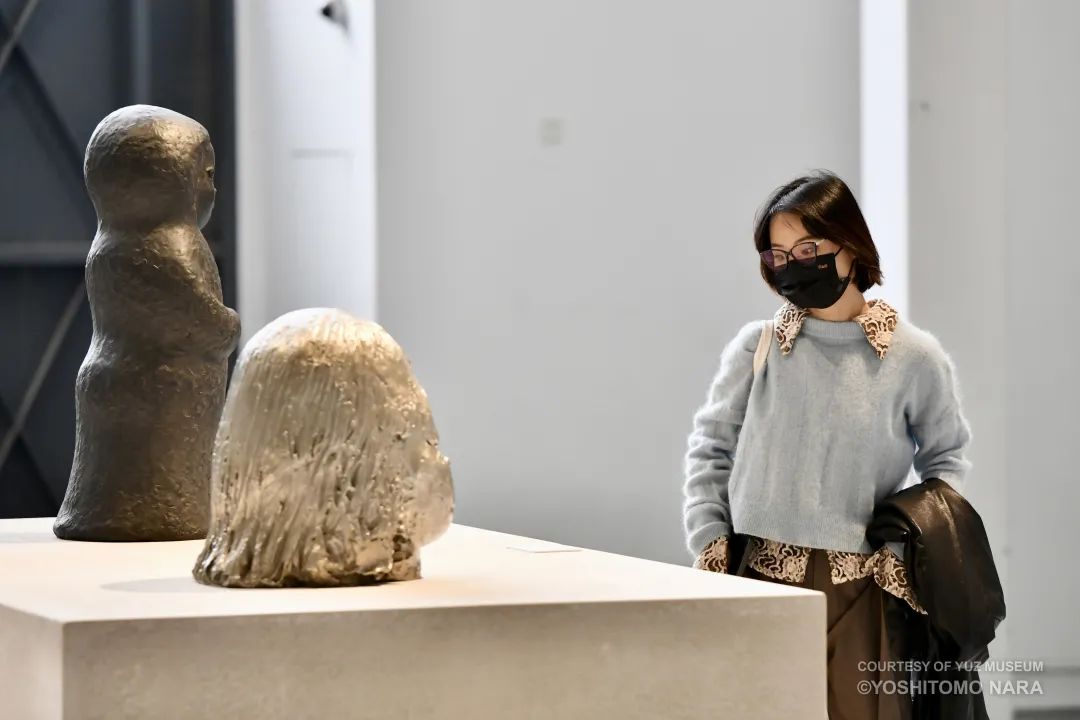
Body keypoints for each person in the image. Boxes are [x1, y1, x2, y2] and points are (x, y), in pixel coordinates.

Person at [681, 169, 973, 720]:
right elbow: (711, 446)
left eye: (809, 249)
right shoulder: (759, 346)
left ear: (850, 244)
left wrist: (903, 551)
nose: (793, 265)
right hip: (755, 578)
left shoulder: (913, 357)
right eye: (778, 255)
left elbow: (947, 460)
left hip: (862, 588)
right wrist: (709, 535)